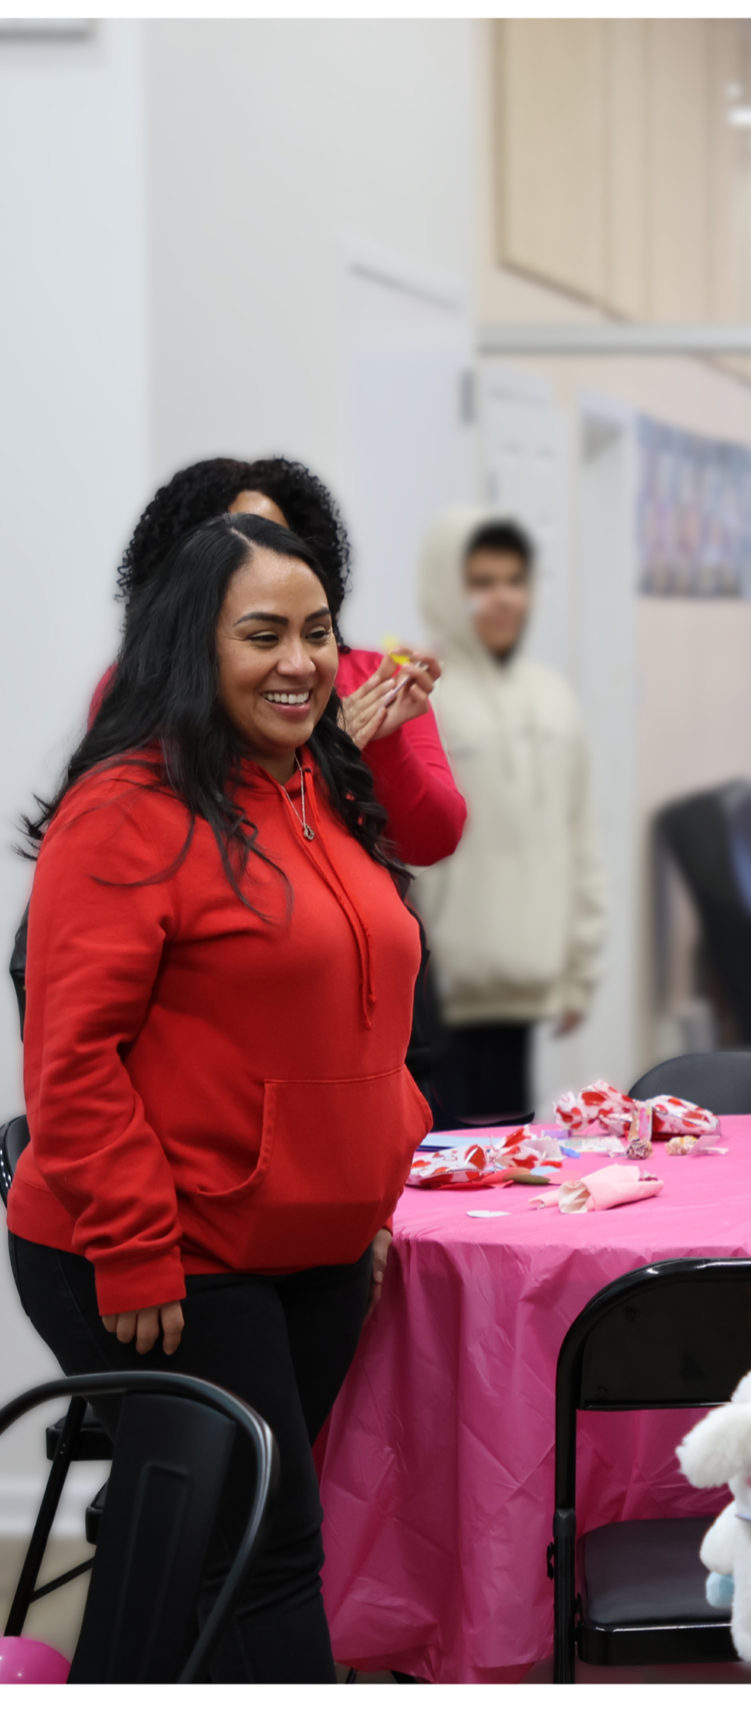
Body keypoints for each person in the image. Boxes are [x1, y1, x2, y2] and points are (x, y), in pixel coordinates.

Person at [8, 511, 430, 1682]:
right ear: (190, 644)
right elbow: (71, 1056)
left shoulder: (314, 790)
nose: (299, 661)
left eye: (316, 632)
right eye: (262, 634)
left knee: (193, 1550)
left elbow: (361, 1014)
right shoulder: (125, 809)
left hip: (313, 1244)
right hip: (172, 1251)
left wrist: (374, 1192)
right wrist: (136, 1245)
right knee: (271, 1551)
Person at [102, 456, 465, 865]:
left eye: (271, 539)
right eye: (223, 542)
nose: (250, 554)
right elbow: (152, 820)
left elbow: (435, 839)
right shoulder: (140, 679)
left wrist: (383, 743)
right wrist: (330, 749)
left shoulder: (374, 678)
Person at [412, 509, 606, 1127]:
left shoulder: (551, 696)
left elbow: (578, 837)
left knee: (510, 1162)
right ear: (448, 588)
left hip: (525, 986)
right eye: (482, 582)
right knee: (441, 1172)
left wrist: (579, 967)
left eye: (514, 580)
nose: (503, 598)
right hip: (440, 998)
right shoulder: (417, 695)